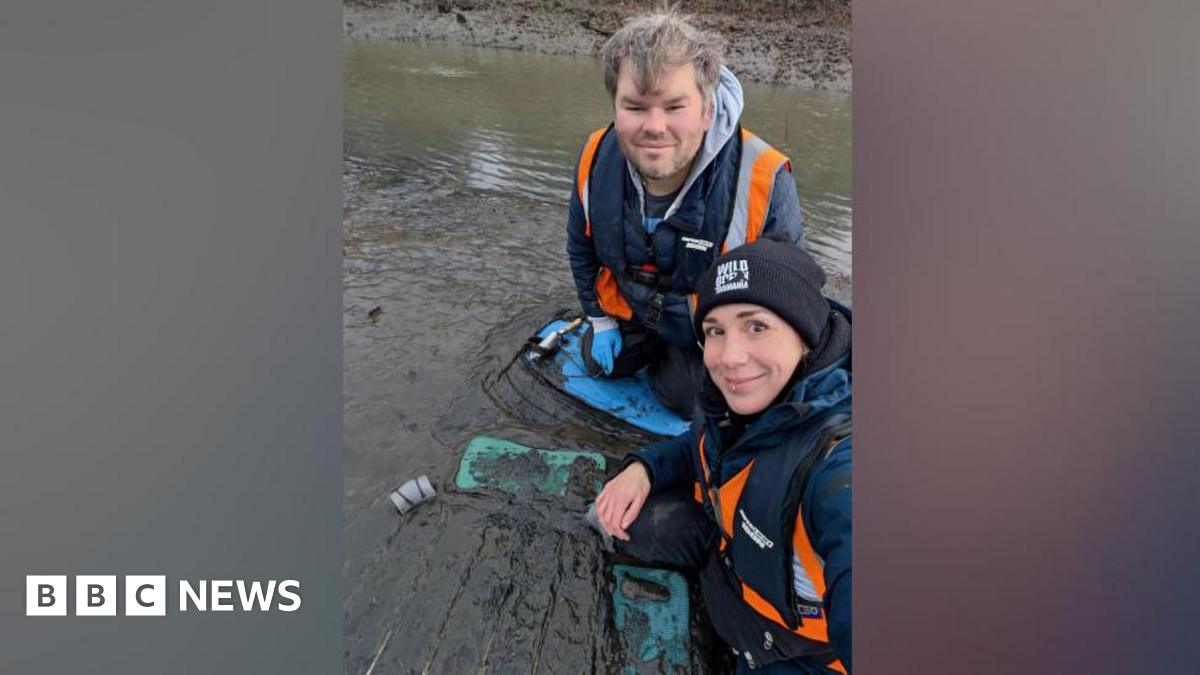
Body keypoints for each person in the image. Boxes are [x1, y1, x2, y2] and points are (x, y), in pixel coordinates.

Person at [593, 238, 852, 674]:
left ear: (805, 335)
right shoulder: (735, 401)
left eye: (756, 327)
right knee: (624, 525)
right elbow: (702, 444)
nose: (730, 358)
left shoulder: (840, 468)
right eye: (715, 331)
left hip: (795, 654)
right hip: (730, 564)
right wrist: (645, 468)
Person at [566, 9, 805, 417]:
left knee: (690, 401)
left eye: (675, 106)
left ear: (707, 109)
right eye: (636, 107)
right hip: (631, 308)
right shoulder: (594, 155)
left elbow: (789, 297)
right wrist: (597, 318)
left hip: (704, 330)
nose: (655, 127)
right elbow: (580, 247)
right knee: (597, 364)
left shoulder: (764, 177)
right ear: (616, 106)